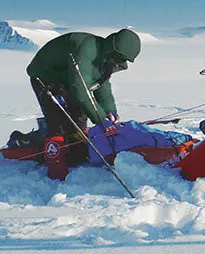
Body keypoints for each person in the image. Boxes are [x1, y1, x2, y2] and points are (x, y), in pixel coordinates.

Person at [26, 28, 142, 179]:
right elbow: (79, 88)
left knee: (79, 119)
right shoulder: (87, 50)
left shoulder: (105, 60)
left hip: (67, 79)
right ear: (112, 50)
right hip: (44, 76)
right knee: (57, 122)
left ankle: (76, 156)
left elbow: (102, 88)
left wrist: (109, 112)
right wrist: (100, 119)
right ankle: (57, 170)